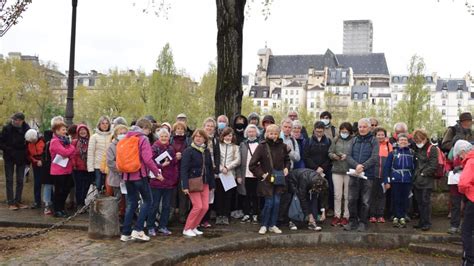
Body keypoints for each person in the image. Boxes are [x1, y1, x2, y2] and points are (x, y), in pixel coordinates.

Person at [120, 119, 161, 242]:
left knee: (131, 203)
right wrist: (157, 173)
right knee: (148, 201)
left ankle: (125, 233)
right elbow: (148, 159)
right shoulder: (143, 139)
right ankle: (138, 229)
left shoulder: (125, 138)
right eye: (148, 130)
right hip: (139, 175)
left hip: (127, 176)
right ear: (144, 128)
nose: (149, 133)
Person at [249, 124, 290, 235]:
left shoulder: (283, 146)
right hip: (267, 180)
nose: (273, 136)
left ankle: (272, 225)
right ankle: (264, 224)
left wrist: (286, 168)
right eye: (271, 133)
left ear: (278, 134)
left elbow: (287, 160)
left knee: (277, 203)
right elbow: (252, 165)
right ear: (266, 134)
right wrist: (262, 174)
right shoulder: (262, 146)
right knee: (269, 203)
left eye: (275, 133)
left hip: (279, 179)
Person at [344, 118, 379, 232]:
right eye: (360, 127)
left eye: (364, 127)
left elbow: (374, 158)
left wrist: (363, 166)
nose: (362, 129)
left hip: (367, 175)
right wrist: (356, 165)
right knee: (351, 199)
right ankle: (352, 221)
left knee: (365, 201)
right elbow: (348, 156)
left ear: (369, 128)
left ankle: (363, 222)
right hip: (354, 174)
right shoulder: (353, 140)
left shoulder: (374, 141)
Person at [180, 129, 216, 237]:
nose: (198, 138)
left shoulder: (206, 151)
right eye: (196, 136)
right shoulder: (188, 151)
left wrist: (212, 184)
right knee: (198, 206)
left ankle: (194, 226)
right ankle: (187, 228)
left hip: (205, 182)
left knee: (205, 207)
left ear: (205, 139)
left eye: (201, 137)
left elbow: (210, 168)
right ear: (193, 138)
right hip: (193, 182)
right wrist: (185, 185)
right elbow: (184, 169)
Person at [147, 128, 178, 236]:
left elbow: (174, 164)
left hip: (169, 182)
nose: (164, 138)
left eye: (166, 136)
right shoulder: (154, 148)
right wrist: (161, 165)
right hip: (157, 181)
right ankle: (150, 226)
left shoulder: (171, 148)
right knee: (154, 205)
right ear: (158, 137)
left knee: (166, 206)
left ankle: (162, 226)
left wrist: (174, 177)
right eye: (162, 136)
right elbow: (150, 162)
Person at [383, 133, 415, 228]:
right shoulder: (392, 153)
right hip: (395, 179)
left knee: (405, 199)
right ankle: (396, 216)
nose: (403, 141)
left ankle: (403, 216)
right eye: (401, 140)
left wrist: (412, 179)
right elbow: (387, 168)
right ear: (397, 142)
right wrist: (386, 181)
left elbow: (414, 168)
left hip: (407, 179)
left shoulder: (412, 153)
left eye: (405, 140)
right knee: (395, 198)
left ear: (408, 142)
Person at [303, 121, 332, 225]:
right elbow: (306, 156)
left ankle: (323, 213)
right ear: (314, 130)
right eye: (317, 131)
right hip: (312, 170)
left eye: (321, 131)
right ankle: (313, 214)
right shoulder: (308, 141)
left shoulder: (328, 141)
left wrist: (322, 168)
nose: (319, 133)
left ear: (324, 131)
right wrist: (316, 167)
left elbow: (329, 156)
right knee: (312, 193)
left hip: (324, 171)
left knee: (323, 192)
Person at [0, 112, 30, 210]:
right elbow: (1, 143)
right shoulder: (7, 128)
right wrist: (9, 150)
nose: (14, 121)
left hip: (21, 157)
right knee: (9, 180)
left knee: (20, 180)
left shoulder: (27, 129)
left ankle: (18, 201)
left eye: (16, 119)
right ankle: (10, 202)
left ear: (21, 121)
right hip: (9, 156)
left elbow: (30, 141)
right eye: (13, 119)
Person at [412, 129, 438, 231]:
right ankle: (422, 221)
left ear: (425, 138)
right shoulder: (417, 149)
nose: (418, 143)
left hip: (426, 180)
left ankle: (426, 222)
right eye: (416, 141)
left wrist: (423, 174)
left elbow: (433, 165)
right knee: (419, 202)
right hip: (417, 180)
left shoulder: (432, 149)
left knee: (425, 202)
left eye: (419, 140)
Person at [453, 140, 474, 265]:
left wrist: (463, 190)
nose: (460, 158)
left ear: (463, 151)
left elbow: (463, 183)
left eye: (460, 155)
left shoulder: (470, 162)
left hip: (472, 199)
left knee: (467, 231)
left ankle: (470, 260)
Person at [328, 122, 353, 226]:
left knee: (347, 195)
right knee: (337, 195)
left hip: (349, 171)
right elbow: (329, 152)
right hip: (337, 170)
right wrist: (334, 156)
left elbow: (355, 154)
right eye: (342, 131)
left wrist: (347, 156)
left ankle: (346, 216)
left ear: (350, 132)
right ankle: (337, 215)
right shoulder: (336, 139)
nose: (344, 133)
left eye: (346, 132)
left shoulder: (353, 140)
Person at [49, 121, 76, 218]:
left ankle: (61, 208)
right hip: (58, 171)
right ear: (57, 131)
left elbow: (72, 153)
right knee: (59, 190)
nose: (65, 131)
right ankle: (57, 209)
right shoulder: (55, 141)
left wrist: (70, 149)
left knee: (66, 189)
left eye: (65, 129)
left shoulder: (65, 140)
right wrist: (72, 147)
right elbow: (65, 152)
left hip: (67, 169)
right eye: (63, 130)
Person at [215, 127, 241, 225]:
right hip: (219, 175)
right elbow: (216, 158)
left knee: (228, 196)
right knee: (219, 196)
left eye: (230, 135)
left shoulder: (235, 147)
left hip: (230, 175)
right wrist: (221, 168)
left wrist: (228, 167)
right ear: (222, 136)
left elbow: (237, 160)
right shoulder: (218, 146)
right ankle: (219, 215)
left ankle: (226, 215)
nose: (228, 137)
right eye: (226, 135)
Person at [236, 124, 260, 224]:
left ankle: (255, 214)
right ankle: (246, 214)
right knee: (245, 195)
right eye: (249, 131)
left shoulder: (261, 144)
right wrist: (238, 175)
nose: (251, 133)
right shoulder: (243, 144)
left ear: (256, 133)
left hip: (256, 175)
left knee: (255, 195)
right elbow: (238, 161)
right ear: (246, 133)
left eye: (253, 131)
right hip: (245, 174)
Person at [280, 118, 301, 230]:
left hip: (290, 171)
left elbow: (297, 157)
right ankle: (277, 220)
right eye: (285, 127)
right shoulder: (276, 137)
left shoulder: (293, 140)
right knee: (278, 196)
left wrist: (289, 151)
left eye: (289, 127)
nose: (287, 129)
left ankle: (287, 219)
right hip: (278, 171)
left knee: (289, 196)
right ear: (281, 127)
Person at [200, 118, 221, 228]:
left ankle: (206, 219)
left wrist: (216, 168)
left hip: (212, 171)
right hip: (201, 171)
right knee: (199, 196)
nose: (209, 128)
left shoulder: (215, 140)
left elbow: (217, 155)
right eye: (207, 126)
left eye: (212, 126)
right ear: (204, 126)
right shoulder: (199, 138)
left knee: (209, 196)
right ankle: (198, 219)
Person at [369, 127, 392, 223]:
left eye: (382, 134)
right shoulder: (372, 145)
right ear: (375, 136)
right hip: (373, 174)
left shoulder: (388, 145)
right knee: (372, 195)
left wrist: (388, 178)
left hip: (384, 175)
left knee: (382, 196)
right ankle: (372, 215)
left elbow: (391, 162)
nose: (380, 136)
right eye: (378, 135)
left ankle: (380, 215)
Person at [105, 125, 129, 221]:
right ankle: (117, 216)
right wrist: (121, 168)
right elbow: (110, 162)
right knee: (118, 198)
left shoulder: (129, 145)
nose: (123, 135)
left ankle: (126, 215)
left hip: (128, 176)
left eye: (124, 133)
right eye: (120, 133)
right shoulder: (112, 146)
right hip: (116, 177)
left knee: (127, 198)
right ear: (116, 135)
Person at [171, 121, 193, 224]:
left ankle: (182, 215)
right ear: (174, 131)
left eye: (182, 129)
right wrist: (174, 157)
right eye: (177, 129)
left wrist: (183, 156)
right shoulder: (170, 140)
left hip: (184, 170)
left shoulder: (188, 141)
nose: (179, 131)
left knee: (183, 193)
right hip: (172, 170)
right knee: (172, 193)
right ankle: (171, 215)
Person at [87, 116, 112, 192]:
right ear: (99, 125)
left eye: (106, 123)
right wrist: (90, 168)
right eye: (103, 123)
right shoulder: (94, 137)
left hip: (109, 166)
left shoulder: (112, 136)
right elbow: (90, 153)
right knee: (98, 186)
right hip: (98, 166)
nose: (105, 125)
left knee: (108, 188)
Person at [71, 124, 93, 210]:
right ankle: (79, 203)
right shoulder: (75, 142)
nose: (83, 132)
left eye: (84, 130)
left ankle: (83, 201)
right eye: (81, 130)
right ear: (78, 132)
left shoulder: (91, 141)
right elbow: (72, 154)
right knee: (79, 187)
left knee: (86, 186)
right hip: (77, 169)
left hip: (88, 168)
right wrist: (74, 164)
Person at [25, 128, 45, 209]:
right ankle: (37, 202)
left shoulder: (43, 140)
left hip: (44, 164)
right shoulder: (28, 143)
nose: (32, 142)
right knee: (37, 184)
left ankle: (50, 202)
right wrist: (35, 161)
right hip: (35, 164)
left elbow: (46, 153)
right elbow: (28, 155)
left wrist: (42, 161)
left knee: (48, 184)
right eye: (30, 141)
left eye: (33, 140)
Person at [41, 130, 55, 215]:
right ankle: (48, 204)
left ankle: (47, 204)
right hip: (51, 167)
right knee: (50, 186)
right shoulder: (50, 143)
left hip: (46, 168)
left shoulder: (46, 143)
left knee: (48, 186)